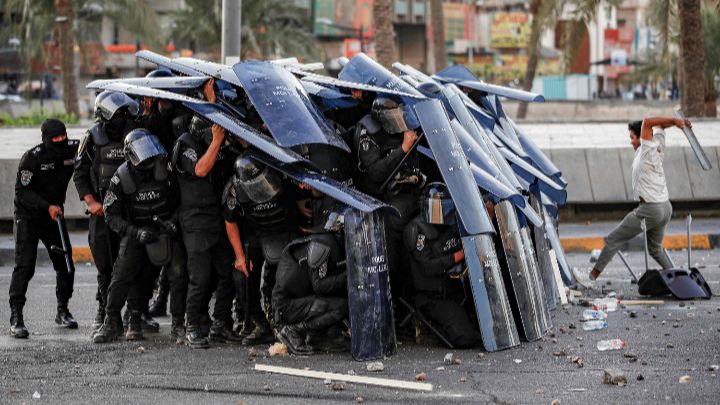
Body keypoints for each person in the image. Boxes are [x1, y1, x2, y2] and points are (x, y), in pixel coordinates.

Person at [92, 129, 178, 343]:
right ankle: (111, 321)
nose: (149, 158)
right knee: (121, 276)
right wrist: (134, 232)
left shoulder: (165, 170)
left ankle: (136, 319)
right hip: (135, 232)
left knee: (150, 279)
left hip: (160, 232)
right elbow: (111, 215)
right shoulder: (121, 178)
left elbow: (180, 202)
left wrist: (172, 223)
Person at [587, 117, 690, 282]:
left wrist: (674, 120)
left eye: (632, 137)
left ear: (642, 137)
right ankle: (680, 280)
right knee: (655, 249)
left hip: (651, 209)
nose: (631, 142)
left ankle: (591, 279)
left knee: (614, 239)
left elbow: (648, 122)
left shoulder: (647, 149)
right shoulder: (658, 143)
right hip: (665, 207)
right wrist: (679, 123)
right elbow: (659, 126)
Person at [74, 91, 139, 333]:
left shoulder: (132, 134)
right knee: (104, 265)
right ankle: (105, 312)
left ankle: (134, 314)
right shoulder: (91, 138)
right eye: (117, 113)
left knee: (130, 264)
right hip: (101, 214)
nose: (121, 118)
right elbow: (80, 174)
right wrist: (91, 202)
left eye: (124, 113)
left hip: (127, 212)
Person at [172, 116, 240, 348]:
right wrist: (217, 140)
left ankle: (220, 323)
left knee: (228, 270)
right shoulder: (186, 143)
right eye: (212, 132)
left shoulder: (214, 143)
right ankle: (192, 326)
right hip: (195, 219)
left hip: (216, 215)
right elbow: (200, 169)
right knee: (199, 277)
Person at [9, 118, 79, 338]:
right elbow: (22, 192)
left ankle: (63, 310)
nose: (61, 141)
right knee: (25, 266)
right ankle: (16, 317)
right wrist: (46, 206)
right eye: (56, 138)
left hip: (54, 216)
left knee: (66, 264)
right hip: (29, 217)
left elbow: (90, 151)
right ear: (47, 139)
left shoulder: (72, 149)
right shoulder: (32, 158)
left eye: (63, 136)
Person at [223, 156, 302, 346]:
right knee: (242, 275)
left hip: (284, 229)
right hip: (255, 232)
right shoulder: (234, 190)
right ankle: (259, 324)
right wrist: (240, 256)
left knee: (285, 279)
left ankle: (286, 322)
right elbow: (230, 221)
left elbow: (299, 196)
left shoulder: (280, 174)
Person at [403, 183, 481, 348]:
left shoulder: (452, 223)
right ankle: (426, 327)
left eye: (443, 208)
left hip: (455, 289)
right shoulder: (416, 230)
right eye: (435, 207)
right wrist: (460, 255)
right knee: (465, 338)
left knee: (483, 328)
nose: (439, 213)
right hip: (432, 296)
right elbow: (428, 267)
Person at [272, 228, 348, 355]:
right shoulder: (322, 246)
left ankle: (317, 337)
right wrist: (348, 275)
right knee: (340, 307)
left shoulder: (323, 242)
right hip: (286, 307)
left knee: (338, 301)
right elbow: (320, 286)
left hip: (294, 302)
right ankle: (294, 331)